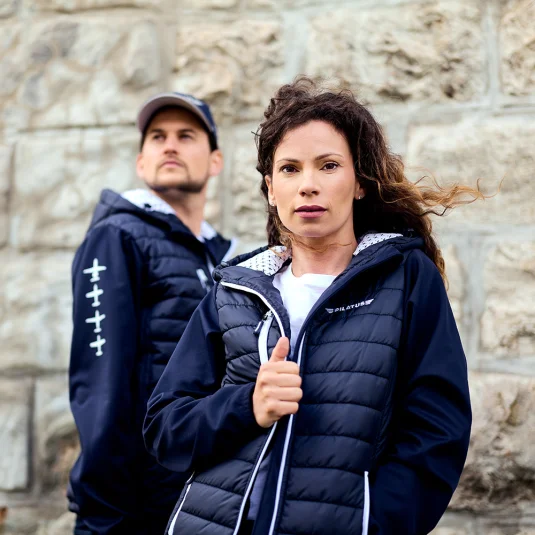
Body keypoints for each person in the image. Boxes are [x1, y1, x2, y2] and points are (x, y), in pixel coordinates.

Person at [143, 77, 478, 535]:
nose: (307, 186)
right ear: (270, 188)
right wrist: (247, 404)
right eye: (290, 169)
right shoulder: (234, 290)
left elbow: (438, 432)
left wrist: (373, 523)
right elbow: (165, 428)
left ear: (359, 183)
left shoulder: (406, 279)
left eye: (328, 166)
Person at [67, 92, 236, 535]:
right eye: (157, 137)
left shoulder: (225, 260)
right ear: (142, 163)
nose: (170, 145)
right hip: (131, 510)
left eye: (186, 135)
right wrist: (105, 510)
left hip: (200, 503)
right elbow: (100, 384)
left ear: (215, 161)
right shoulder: (117, 237)